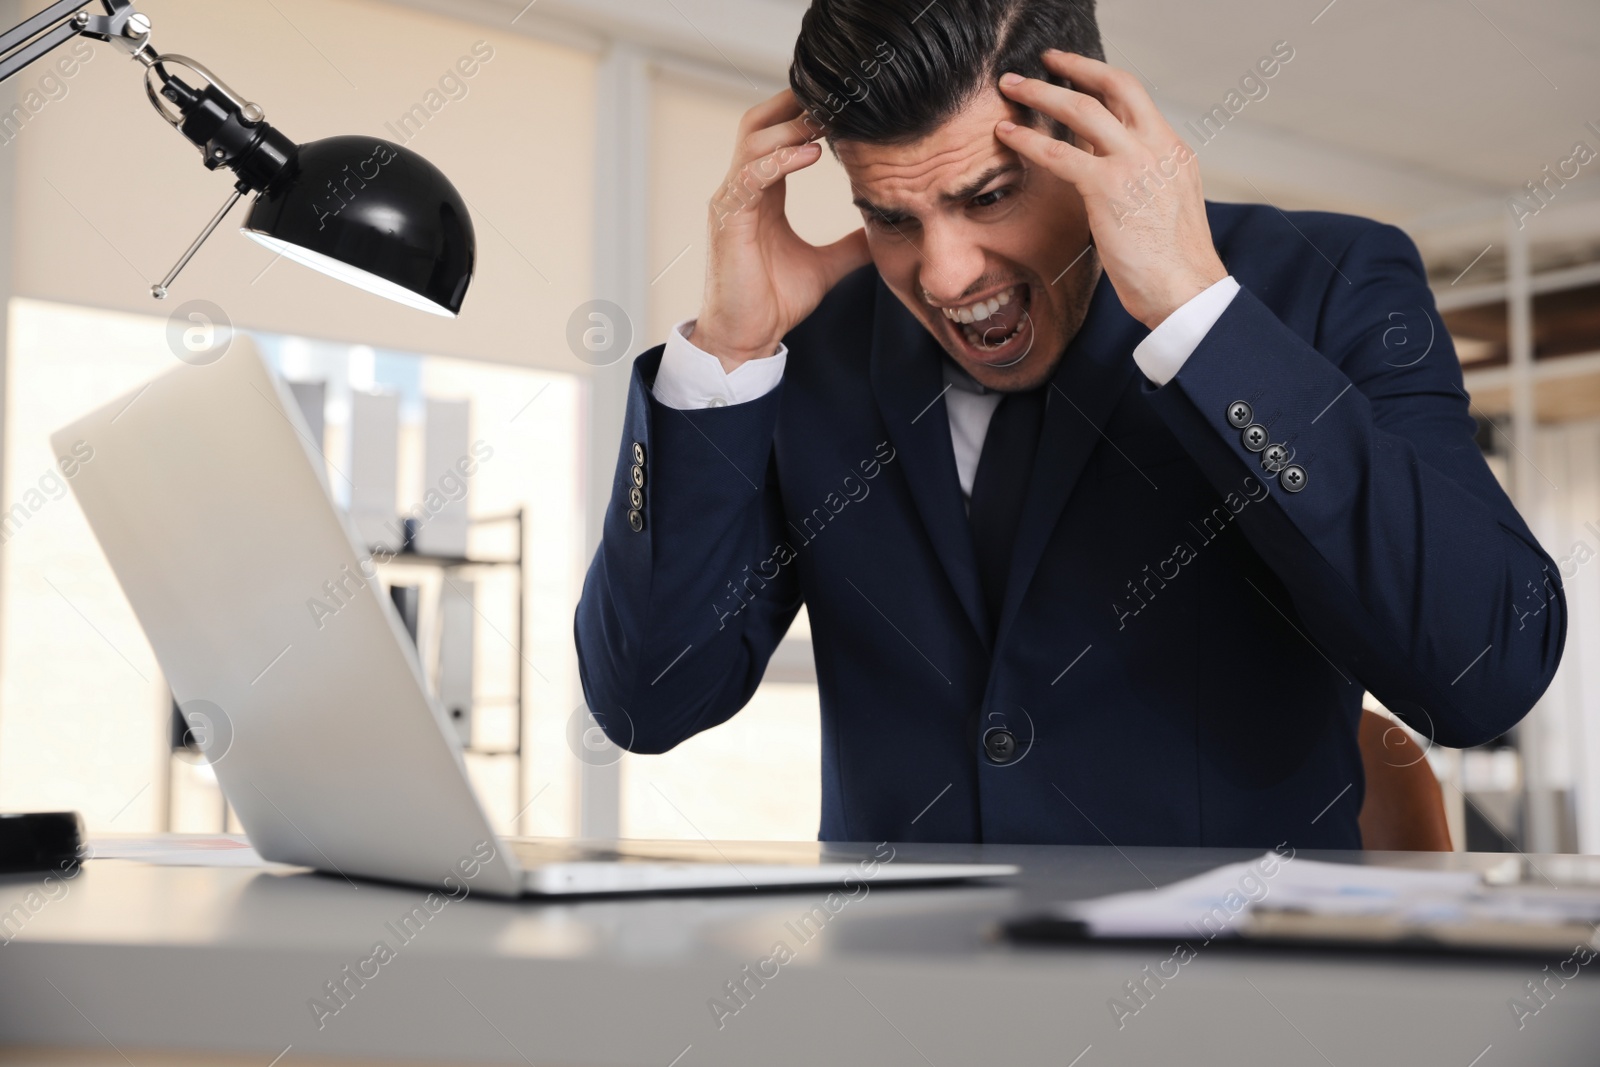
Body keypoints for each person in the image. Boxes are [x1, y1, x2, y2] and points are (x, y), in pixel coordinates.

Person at [573, 0, 1565, 850]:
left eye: (990, 196)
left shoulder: (1324, 284)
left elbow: (1482, 671)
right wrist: (728, 354)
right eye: (892, 217)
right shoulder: (813, 348)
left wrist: (1192, 310)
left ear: (1089, 131)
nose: (946, 274)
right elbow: (647, 701)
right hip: (904, 1007)